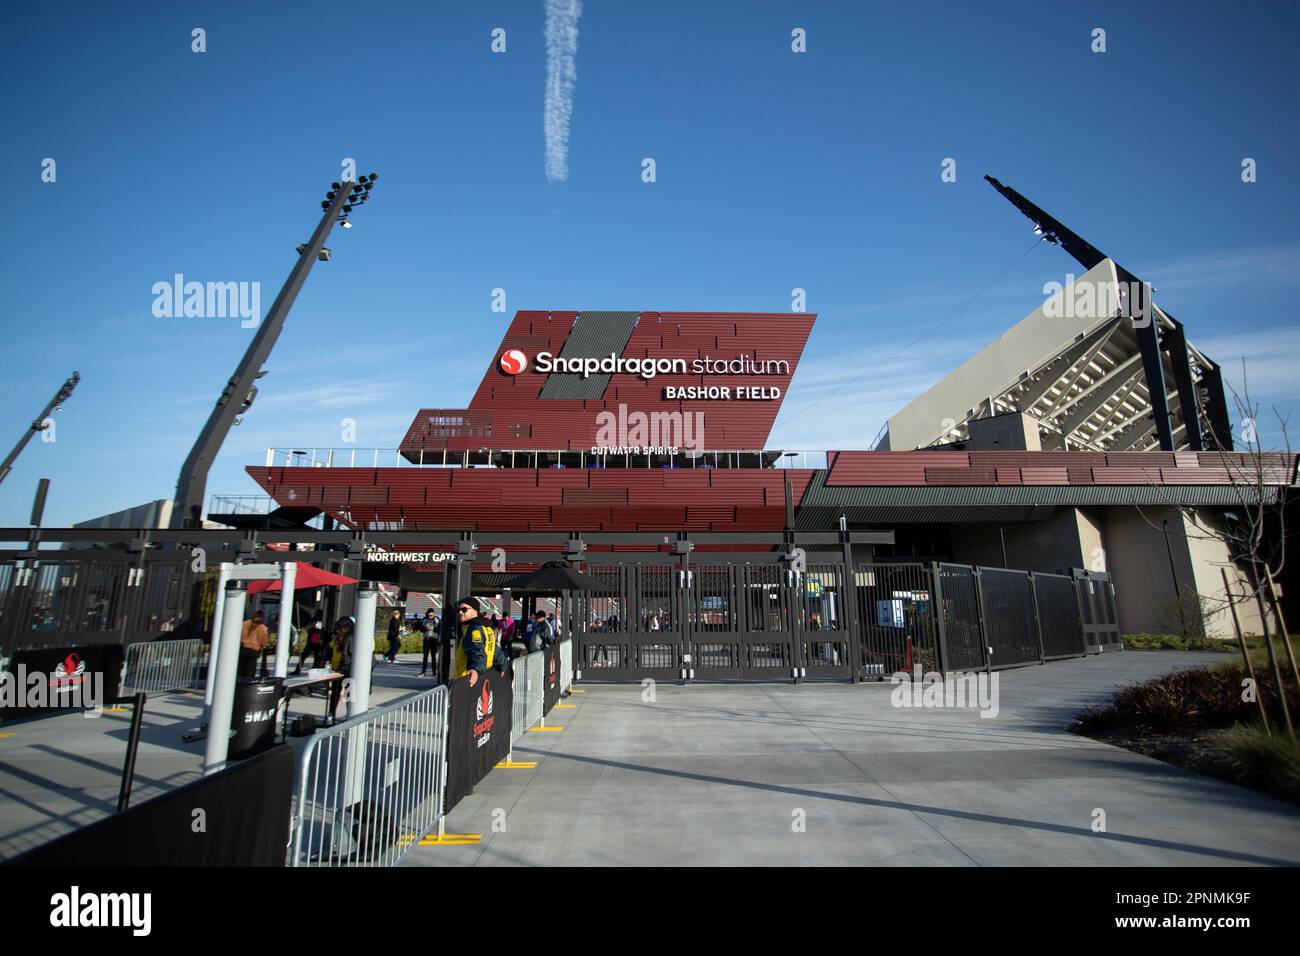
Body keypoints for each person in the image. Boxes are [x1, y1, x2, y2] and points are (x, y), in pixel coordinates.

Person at [451, 597, 497, 688]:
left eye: (464, 610)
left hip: (467, 680)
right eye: (459, 610)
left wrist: (475, 670)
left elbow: (477, 651)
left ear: (475, 611)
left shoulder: (474, 629)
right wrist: (503, 664)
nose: (460, 612)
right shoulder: (486, 627)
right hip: (483, 677)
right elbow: (495, 649)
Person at [327, 618, 354, 724]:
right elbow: (331, 649)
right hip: (337, 668)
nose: (337, 630)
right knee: (336, 692)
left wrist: (340, 669)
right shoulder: (337, 638)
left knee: (347, 693)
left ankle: (348, 714)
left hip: (346, 669)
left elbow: (347, 656)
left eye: (340, 628)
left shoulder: (350, 638)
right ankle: (331, 714)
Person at [239, 610, 270, 678]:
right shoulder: (263, 628)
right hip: (254, 651)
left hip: (242, 648)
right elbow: (264, 642)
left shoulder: (244, 624)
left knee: (240, 670)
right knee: (250, 671)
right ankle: (247, 686)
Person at [417, 608, 440, 677]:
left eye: (431, 615)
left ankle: (434, 672)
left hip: (434, 639)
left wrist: (434, 629)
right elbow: (420, 628)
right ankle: (423, 671)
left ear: (433, 614)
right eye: (429, 615)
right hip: (426, 639)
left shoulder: (437, 619)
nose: (430, 616)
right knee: (425, 656)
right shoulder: (424, 619)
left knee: (433, 656)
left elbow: (440, 629)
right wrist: (425, 629)